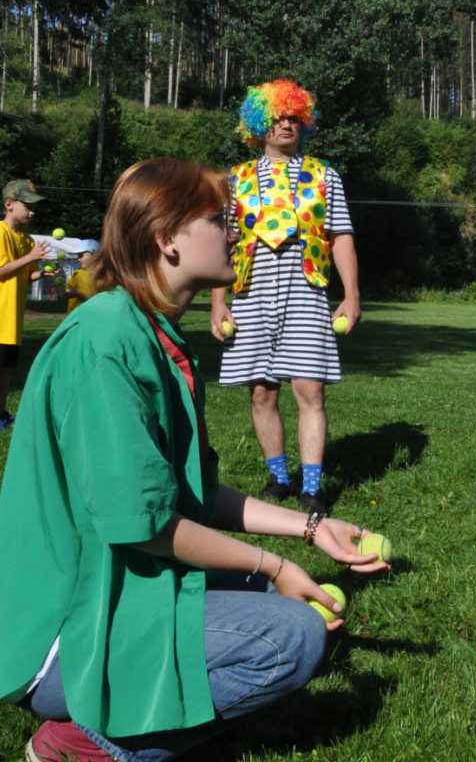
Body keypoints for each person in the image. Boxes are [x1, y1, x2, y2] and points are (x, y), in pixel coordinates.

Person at [0, 158, 388, 762]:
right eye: (220, 221)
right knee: (293, 635)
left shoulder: (158, 336)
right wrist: (276, 565)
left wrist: (311, 528)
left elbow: (193, 495)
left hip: (116, 584)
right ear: (166, 239)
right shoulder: (106, 341)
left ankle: (150, 709)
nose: (237, 233)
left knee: (273, 598)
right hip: (63, 631)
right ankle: (84, 743)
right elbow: (147, 526)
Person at [211, 80, 361, 513]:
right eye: (277, 117)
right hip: (251, 290)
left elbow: (342, 237)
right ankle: (279, 478)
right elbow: (225, 244)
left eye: (294, 117)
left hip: (307, 289)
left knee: (310, 390)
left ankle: (312, 487)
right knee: (262, 392)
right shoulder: (235, 180)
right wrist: (219, 303)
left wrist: (351, 296)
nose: (286, 124)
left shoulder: (323, 175)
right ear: (258, 125)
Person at [0, 179, 53, 429]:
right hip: (0, 315)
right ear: (9, 204)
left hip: (12, 319)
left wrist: (40, 274)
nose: (32, 211)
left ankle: (1, 415)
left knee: (6, 370)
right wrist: (30, 257)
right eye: (27, 205)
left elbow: (24, 274)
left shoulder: (27, 240)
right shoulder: (0, 233)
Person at [63, 243, 99, 312]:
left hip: (90, 316)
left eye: (81, 255)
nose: (78, 259)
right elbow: (69, 290)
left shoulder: (103, 276)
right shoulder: (77, 273)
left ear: (95, 256)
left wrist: (79, 295)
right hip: (74, 316)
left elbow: (100, 301)